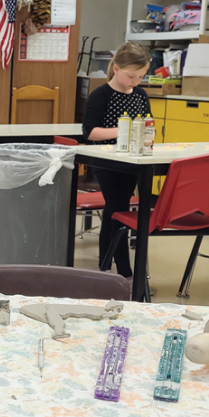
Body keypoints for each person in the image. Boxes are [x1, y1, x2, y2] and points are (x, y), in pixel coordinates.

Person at [81, 42, 151, 284]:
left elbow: (147, 124)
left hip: (133, 161)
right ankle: (123, 271)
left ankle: (107, 266)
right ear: (117, 68)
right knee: (117, 206)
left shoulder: (141, 95)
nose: (136, 81)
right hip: (106, 161)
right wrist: (123, 131)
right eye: (131, 75)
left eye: (141, 76)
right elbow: (89, 132)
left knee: (117, 209)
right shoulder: (101, 94)